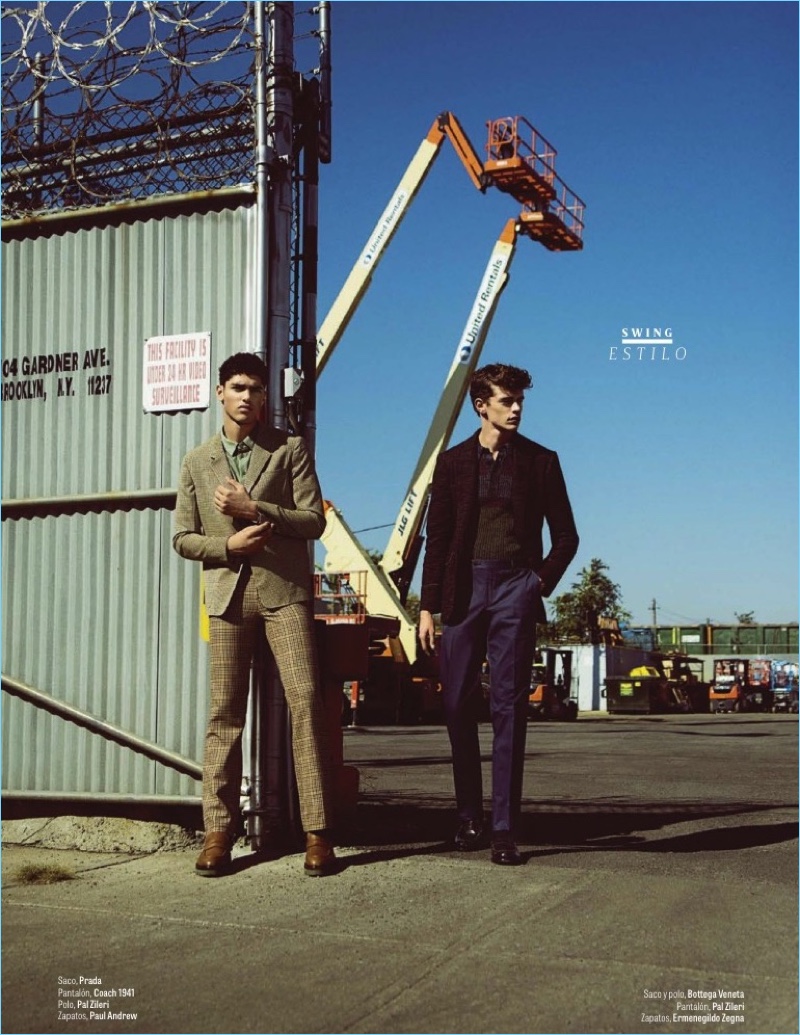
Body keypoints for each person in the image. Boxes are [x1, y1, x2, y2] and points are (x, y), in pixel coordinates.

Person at [173, 352, 336, 877]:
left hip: (284, 593)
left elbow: (314, 521)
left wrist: (254, 510)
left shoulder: (289, 450)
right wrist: (229, 546)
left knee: (306, 703)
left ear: (266, 397)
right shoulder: (198, 460)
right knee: (223, 715)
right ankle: (218, 833)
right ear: (219, 391)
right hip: (226, 597)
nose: (247, 397)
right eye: (238, 387)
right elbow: (182, 537)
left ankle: (318, 833)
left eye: (257, 389)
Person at [418, 363, 578, 865]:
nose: (515, 409)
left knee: (509, 708)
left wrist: (536, 584)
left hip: (515, 587)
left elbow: (567, 537)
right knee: (455, 706)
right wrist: (427, 608)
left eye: (519, 402)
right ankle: (469, 815)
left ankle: (505, 828)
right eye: (506, 401)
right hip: (462, 591)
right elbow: (437, 540)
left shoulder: (541, 461)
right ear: (480, 405)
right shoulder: (452, 464)